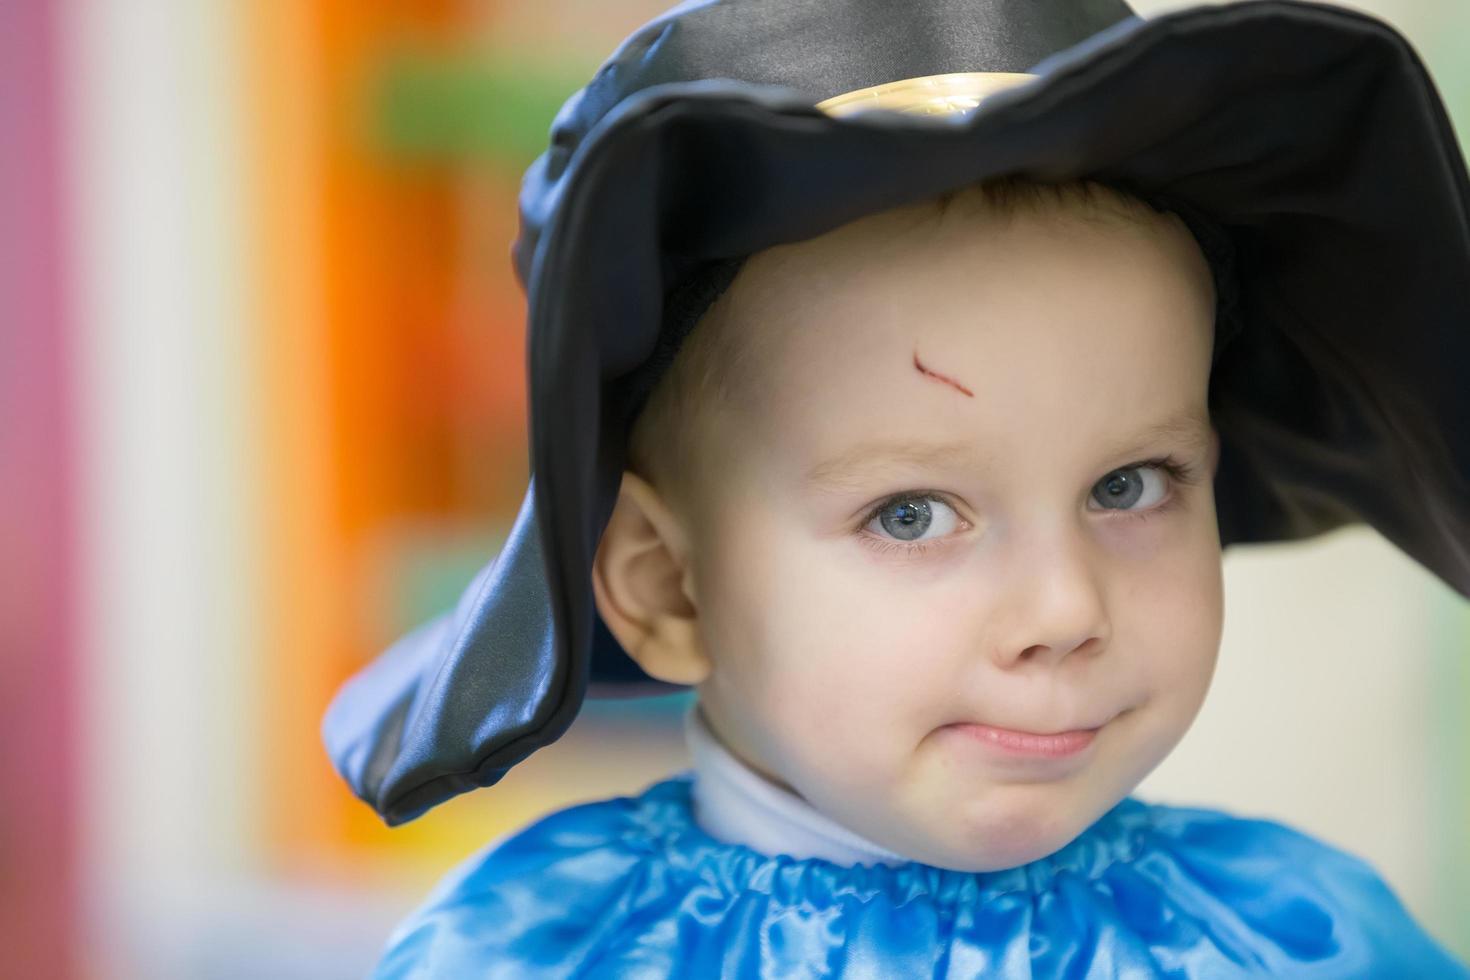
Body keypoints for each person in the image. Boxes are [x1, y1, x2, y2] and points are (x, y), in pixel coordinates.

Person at [322, 0, 1470, 974]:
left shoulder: (1300, 939)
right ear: (672, 583)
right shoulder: (538, 951)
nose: (1065, 609)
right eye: (911, 513)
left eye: (1127, 483)